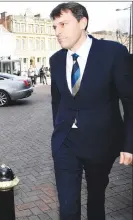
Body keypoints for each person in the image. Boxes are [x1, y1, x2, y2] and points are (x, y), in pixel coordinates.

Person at [49, 2, 133, 220]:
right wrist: (58, 128)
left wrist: (129, 144)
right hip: (66, 143)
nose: (58, 31)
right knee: (67, 208)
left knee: (96, 201)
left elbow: (129, 100)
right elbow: (56, 102)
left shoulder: (113, 52)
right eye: (55, 26)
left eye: (63, 24)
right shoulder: (56, 60)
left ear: (82, 22)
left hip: (101, 143)